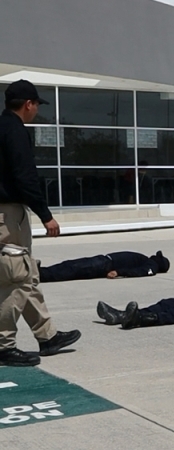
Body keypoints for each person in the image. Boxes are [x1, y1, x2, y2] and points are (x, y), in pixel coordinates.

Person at [0, 80, 80, 366]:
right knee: (16, 279)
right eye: (36, 105)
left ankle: (47, 336)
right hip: (8, 216)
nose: (36, 110)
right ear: (28, 104)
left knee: (26, 275)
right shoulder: (14, 131)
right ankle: (4, 346)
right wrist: (46, 215)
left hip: (7, 214)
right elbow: (25, 178)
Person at [40, 251, 170, 282]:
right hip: (103, 261)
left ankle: (41, 274)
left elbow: (141, 271)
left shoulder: (152, 265)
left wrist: (118, 272)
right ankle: (41, 272)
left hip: (105, 264)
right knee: (70, 266)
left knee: (71, 269)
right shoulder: (145, 259)